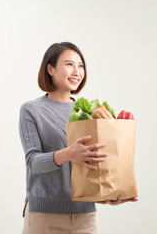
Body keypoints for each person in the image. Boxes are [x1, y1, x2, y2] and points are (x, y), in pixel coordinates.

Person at [19, 42, 138, 234]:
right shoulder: (31, 110)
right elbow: (33, 161)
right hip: (44, 217)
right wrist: (68, 154)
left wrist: (108, 192)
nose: (77, 71)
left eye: (80, 66)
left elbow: (94, 168)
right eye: (69, 64)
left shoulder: (90, 112)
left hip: (85, 218)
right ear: (50, 69)